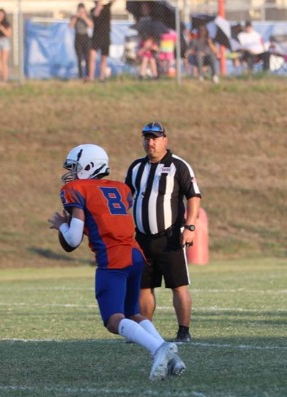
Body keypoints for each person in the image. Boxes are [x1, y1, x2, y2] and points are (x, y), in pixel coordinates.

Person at [48, 144, 185, 381]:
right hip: (135, 255)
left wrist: (61, 225)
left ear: (89, 166)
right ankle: (172, 358)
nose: (71, 173)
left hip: (113, 259)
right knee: (133, 314)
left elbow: (72, 240)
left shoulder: (77, 189)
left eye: (75, 167)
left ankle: (158, 349)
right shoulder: (120, 188)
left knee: (113, 320)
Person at [124, 122, 202, 343]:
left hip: (170, 237)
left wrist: (190, 227)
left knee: (178, 286)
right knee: (143, 286)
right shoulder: (136, 167)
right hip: (142, 238)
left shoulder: (178, 165)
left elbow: (193, 196)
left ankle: (183, 332)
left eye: (155, 138)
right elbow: (126, 197)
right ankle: (145, 331)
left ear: (164, 140)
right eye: (147, 138)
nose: (150, 143)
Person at [87, 0, 113, 82]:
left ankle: (101, 77)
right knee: (92, 56)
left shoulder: (107, 8)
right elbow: (95, 15)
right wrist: (99, 5)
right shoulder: (92, 10)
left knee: (104, 58)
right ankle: (91, 77)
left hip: (105, 36)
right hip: (96, 37)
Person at [70, 3, 93, 79]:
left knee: (87, 58)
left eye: (82, 11)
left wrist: (84, 17)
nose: (81, 13)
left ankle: (87, 75)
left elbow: (91, 25)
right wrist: (76, 17)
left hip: (85, 37)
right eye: (80, 11)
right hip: (78, 37)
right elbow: (71, 26)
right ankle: (80, 76)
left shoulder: (88, 16)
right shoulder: (74, 17)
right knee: (79, 58)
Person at [0, 8, 12, 83]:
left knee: (3, 61)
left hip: (4, 41)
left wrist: (1, 27)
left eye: (1, 15)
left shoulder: (6, 23)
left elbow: (8, 34)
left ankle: (4, 78)